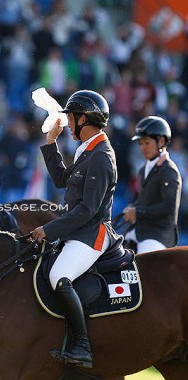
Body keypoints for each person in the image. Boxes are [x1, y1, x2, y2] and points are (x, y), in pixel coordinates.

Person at [31, 90, 123, 368]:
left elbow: (88, 210)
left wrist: (49, 229)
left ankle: (82, 344)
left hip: (92, 233)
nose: (68, 123)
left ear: (83, 118)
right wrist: (50, 143)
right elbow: (61, 180)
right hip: (78, 231)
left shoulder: (101, 156)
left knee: (59, 275)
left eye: (70, 118)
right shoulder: (88, 152)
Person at [122, 116, 182, 253]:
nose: (143, 148)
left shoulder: (169, 171)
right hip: (141, 231)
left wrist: (137, 212)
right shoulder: (144, 169)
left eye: (147, 143)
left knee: (144, 263)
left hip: (158, 235)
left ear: (161, 141)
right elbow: (146, 200)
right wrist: (132, 208)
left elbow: (168, 207)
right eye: (141, 144)